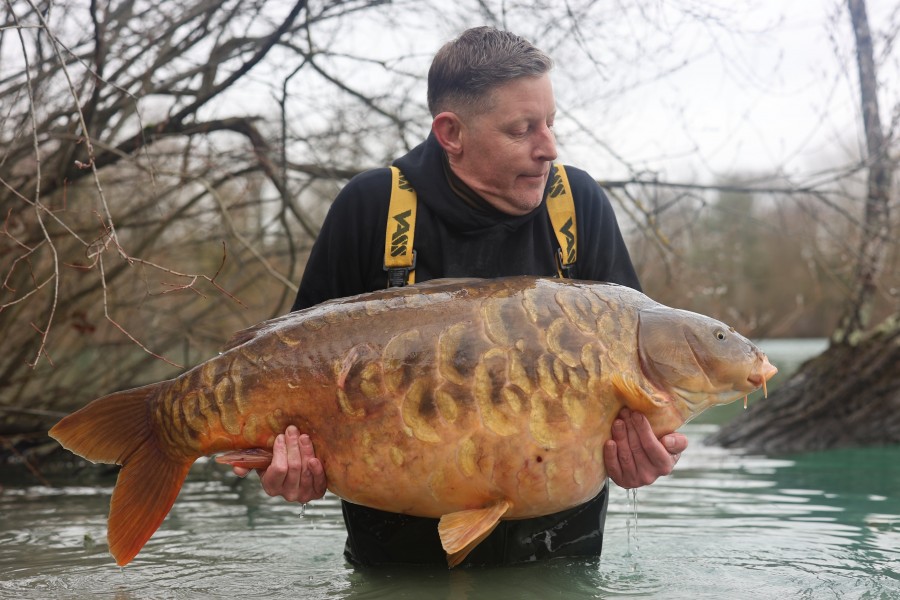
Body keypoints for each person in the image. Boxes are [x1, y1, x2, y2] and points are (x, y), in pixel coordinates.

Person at [233, 26, 688, 566]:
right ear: (451, 133)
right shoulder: (371, 207)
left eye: (549, 123)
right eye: (522, 130)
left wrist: (644, 454)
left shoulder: (578, 205)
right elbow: (290, 378)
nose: (549, 148)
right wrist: (291, 466)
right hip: (397, 563)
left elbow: (631, 393)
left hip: (557, 558)